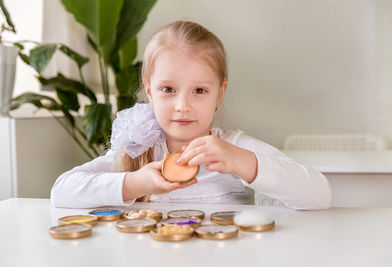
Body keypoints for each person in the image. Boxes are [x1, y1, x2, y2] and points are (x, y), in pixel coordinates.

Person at [51, 21, 332, 210]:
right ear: (149, 91)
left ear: (220, 92)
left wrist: (242, 162)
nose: (182, 105)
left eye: (199, 90)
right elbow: (61, 191)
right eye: (168, 89)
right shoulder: (138, 150)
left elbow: (320, 195)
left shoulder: (234, 148)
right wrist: (137, 183)